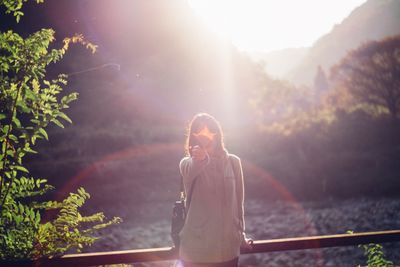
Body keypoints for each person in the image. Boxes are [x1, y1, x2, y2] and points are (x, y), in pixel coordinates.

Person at [178, 113, 252, 267]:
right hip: (196, 252)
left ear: (218, 134)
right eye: (200, 132)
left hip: (228, 250)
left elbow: (239, 205)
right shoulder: (187, 164)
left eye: (211, 131)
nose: (207, 136)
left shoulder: (233, 162)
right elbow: (192, 169)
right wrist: (201, 157)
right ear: (194, 137)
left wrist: (241, 235)